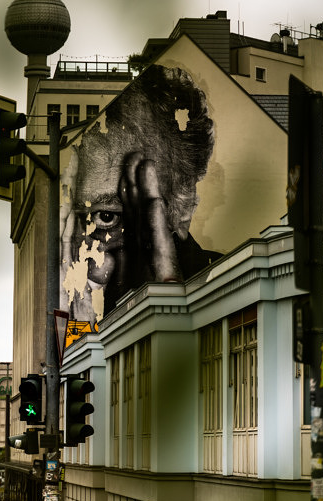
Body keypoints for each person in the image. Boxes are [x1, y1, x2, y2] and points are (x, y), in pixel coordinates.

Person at [60, 65, 220, 328]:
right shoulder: (69, 295)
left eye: (107, 217)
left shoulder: (229, 290)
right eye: (69, 218)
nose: (78, 249)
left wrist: (169, 306)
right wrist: (78, 329)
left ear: (183, 205)